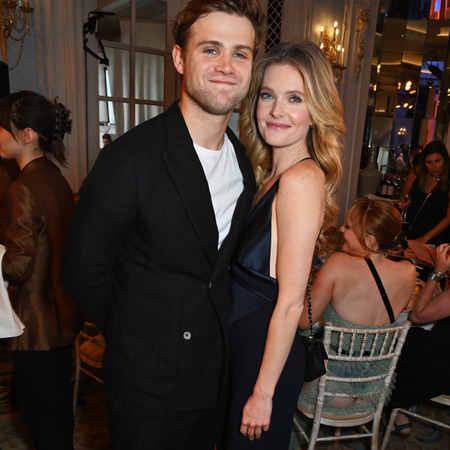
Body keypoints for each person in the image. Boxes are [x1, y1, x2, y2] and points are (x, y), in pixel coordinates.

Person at [59, 1, 265, 449]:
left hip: (214, 376)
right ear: (179, 58)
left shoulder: (245, 162)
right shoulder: (130, 159)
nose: (227, 66)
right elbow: (81, 271)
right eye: (211, 49)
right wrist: (138, 331)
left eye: (240, 53)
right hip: (147, 383)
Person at [225, 41, 345, 449]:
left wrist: (263, 392)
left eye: (295, 98)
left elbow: (292, 303)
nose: (277, 110)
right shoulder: (270, 175)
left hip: (265, 356)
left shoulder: (300, 180)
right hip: (247, 344)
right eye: (268, 95)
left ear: (316, 112)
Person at [0, 91, 83, 449]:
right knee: (55, 417)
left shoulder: (22, 188)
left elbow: (17, 267)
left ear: (27, 135)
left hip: (35, 328)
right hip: (60, 319)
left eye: (2, 128)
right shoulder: (56, 177)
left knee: (44, 424)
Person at [297, 199, 416, 418]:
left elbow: (305, 320)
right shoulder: (408, 272)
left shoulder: (338, 263)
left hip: (331, 389)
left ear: (369, 240)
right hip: (373, 389)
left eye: (349, 227)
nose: (342, 229)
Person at [386, 243, 450, 437]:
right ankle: (399, 409)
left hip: (440, 368)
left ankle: (386, 401)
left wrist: (437, 272)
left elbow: (418, 316)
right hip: (443, 354)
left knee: (391, 339)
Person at [399, 140, 450, 246]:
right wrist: (405, 205)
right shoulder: (415, 175)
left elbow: (449, 218)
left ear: (445, 160)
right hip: (412, 233)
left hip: (437, 238)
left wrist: (425, 238)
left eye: (437, 161)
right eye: (429, 162)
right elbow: (404, 197)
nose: (433, 166)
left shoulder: (447, 181)